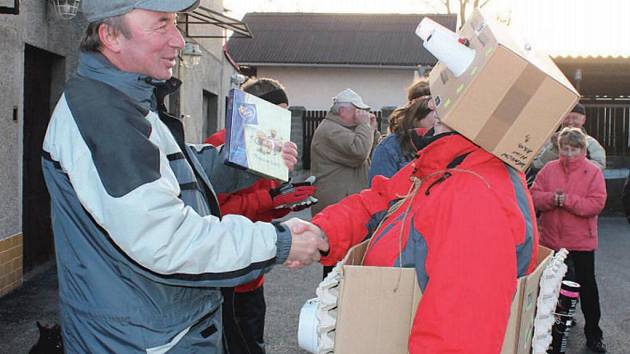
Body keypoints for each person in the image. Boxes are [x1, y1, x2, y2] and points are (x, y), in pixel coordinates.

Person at [40, 1, 327, 352]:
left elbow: (184, 167)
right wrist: (279, 242)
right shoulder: (104, 116)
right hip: (141, 340)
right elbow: (164, 239)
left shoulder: (128, 102)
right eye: (162, 25)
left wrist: (254, 161)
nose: (178, 40)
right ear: (111, 35)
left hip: (157, 330)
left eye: (175, 24)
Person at [301, 113, 540, 352]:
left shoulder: (478, 195)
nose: (436, 111)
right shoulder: (447, 164)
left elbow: (458, 336)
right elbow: (380, 200)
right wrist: (323, 234)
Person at [204, 77, 316, 354]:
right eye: (281, 110)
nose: (286, 120)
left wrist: (286, 202)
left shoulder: (270, 142)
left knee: (253, 341)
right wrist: (270, 199)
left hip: (255, 267)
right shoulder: (221, 146)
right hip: (229, 268)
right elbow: (216, 211)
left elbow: (267, 197)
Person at [530, 127, 608, 353]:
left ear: (583, 149)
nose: (570, 154)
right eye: (565, 149)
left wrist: (568, 201)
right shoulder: (548, 169)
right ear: (559, 149)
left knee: (588, 290)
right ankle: (546, 335)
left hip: (581, 241)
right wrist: (551, 199)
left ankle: (594, 334)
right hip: (552, 239)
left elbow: (596, 204)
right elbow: (534, 197)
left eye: (574, 149)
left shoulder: (592, 172)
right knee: (548, 290)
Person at [368, 95, 437, 184]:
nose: (438, 129)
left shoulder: (444, 145)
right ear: (416, 118)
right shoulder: (390, 147)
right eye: (435, 124)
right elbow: (379, 191)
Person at [532, 103, 606, 170]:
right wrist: (554, 148)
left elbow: (600, 165)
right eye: (566, 118)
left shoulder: (591, 143)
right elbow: (536, 165)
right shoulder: (548, 141)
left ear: (583, 120)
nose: (570, 122)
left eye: (574, 118)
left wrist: (576, 163)